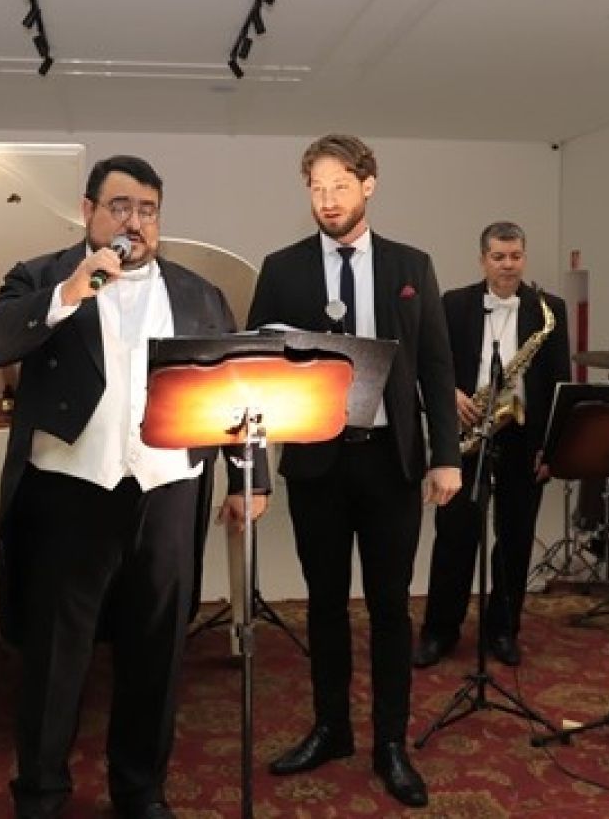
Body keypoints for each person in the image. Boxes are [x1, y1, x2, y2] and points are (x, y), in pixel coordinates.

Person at [0, 155, 269, 819]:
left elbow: (237, 386)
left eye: (148, 210)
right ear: (88, 211)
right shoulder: (41, 276)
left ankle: (140, 790)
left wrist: (249, 476)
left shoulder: (200, 294)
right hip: (69, 494)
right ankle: (41, 794)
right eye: (121, 207)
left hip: (169, 491)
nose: (135, 222)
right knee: (57, 655)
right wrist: (70, 292)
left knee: (157, 650)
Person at [246, 134, 461, 809]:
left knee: (392, 607)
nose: (328, 200)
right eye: (317, 188)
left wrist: (446, 455)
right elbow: (255, 373)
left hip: (391, 462)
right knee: (325, 604)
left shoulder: (411, 265)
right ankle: (331, 728)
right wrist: (253, 471)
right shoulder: (281, 268)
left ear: (369, 185)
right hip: (317, 462)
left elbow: (436, 366)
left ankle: (390, 743)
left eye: (340, 185)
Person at [414, 222, 571, 670]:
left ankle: (502, 629)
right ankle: (440, 630)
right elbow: (432, 362)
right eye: (499, 257)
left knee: (516, 536)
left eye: (516, 256)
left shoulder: (549, 310)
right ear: (482, 259)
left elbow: (560, 381)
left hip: (523, 434)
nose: (508, 265)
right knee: (455, 534)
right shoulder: (454, 303)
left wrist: (550, 447)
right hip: (467, 429)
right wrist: (451, 395)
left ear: (524, 257)